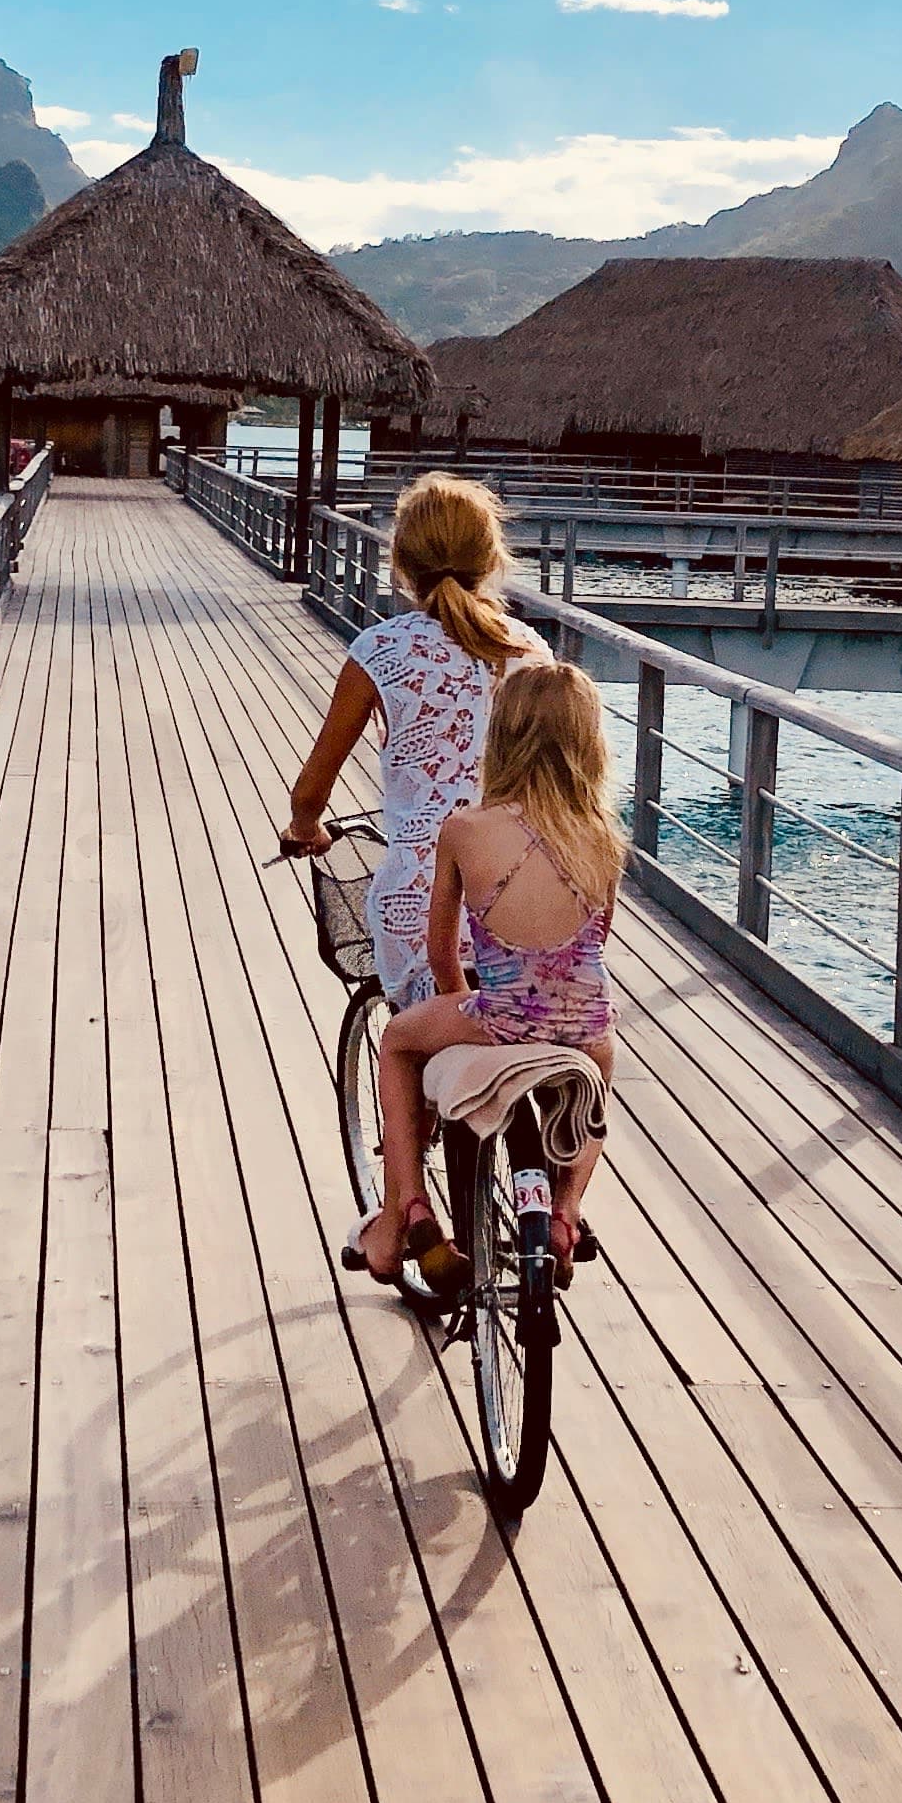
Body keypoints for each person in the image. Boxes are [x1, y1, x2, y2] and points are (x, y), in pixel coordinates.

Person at [364, 658, 620, 1279]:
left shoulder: (464, 830)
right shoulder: (603, 836)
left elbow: (441, 950)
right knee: (600, 1075)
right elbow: (594, 945)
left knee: (398, 1042)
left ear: (501, 736)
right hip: (584, 1021)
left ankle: (410, 1211)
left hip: (501, 1015)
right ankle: (565, 1211)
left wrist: (460, 1003)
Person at [282, 466, 542, 1006]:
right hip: (525, 890)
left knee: (412, 1044)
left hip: (424, 903)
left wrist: (306, 827)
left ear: (400, 562)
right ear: (491, 560)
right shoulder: (530, 652)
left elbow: (312, 788)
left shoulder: (380, 651)